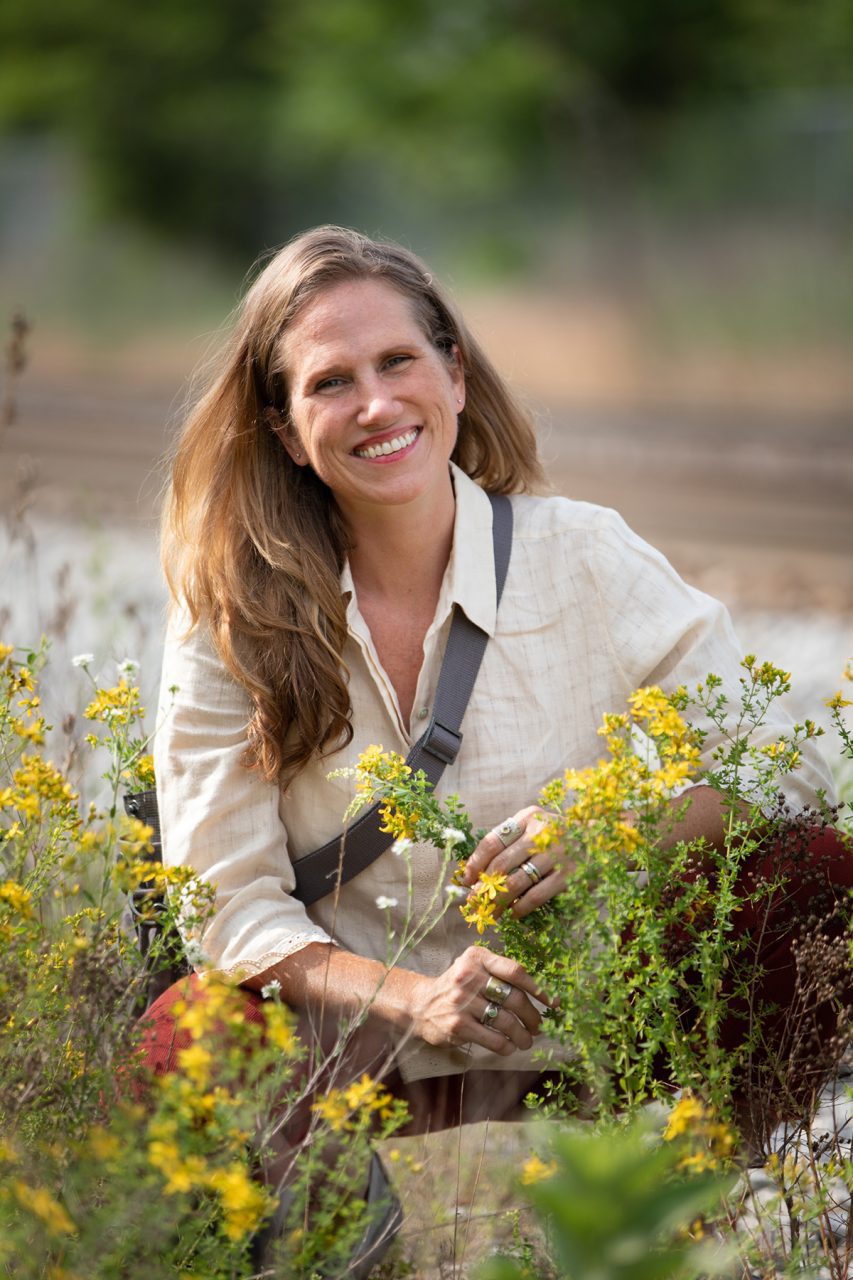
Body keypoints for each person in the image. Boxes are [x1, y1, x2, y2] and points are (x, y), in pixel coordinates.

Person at [145, 225, 841, 1147]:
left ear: (457, 378)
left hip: (600, 1030)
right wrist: (418, 1000)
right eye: (330, 382)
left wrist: (611, 832)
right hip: (366, 1057)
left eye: (398, 361)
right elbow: (227, 906)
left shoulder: (583, 553)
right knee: (185, 1037)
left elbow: (779, 771)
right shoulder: (229, 615)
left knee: (816, 872)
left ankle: (716, 1176)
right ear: (287, 432)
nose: (375, 402)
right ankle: (335, 1232)